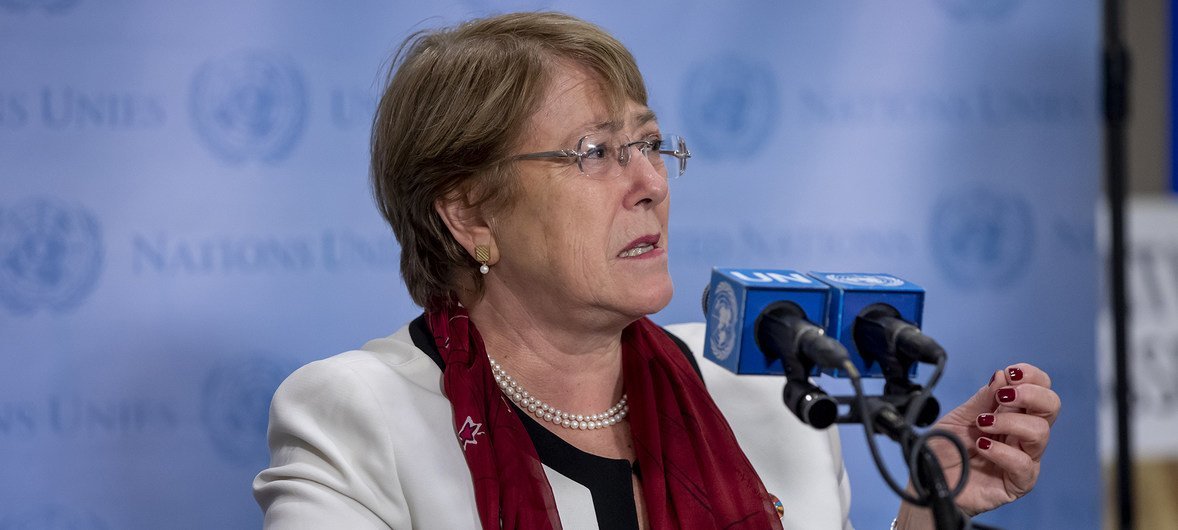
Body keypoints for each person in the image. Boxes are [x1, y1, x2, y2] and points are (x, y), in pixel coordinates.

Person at [253, 12, 1060, 529]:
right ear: (470, 215)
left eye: (648, 144)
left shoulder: (765, 396)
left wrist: (927, 510)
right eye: (596, 153)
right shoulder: (355, 417)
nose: (651, 184)